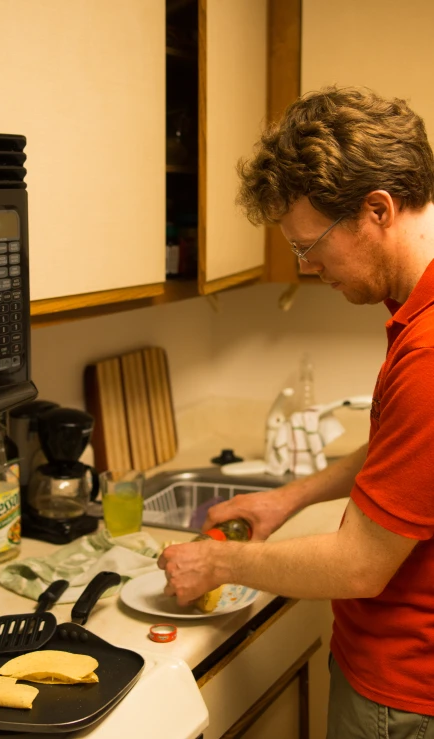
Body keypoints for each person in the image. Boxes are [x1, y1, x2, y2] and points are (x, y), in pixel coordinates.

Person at [157, 86, 434, 738]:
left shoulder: (427, 352)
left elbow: (360, 564)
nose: (308, 268)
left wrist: (219, 562)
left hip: (402, 693)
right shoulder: (417, 318)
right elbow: (405, 456)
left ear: (377, 209)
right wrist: (288, 498)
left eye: (311, 246)